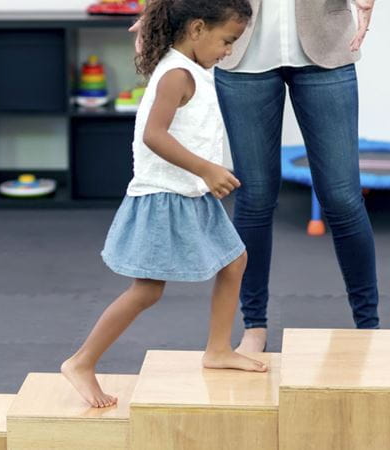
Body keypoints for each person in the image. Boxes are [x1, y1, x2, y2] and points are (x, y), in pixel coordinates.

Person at [61, 0, 265, 409]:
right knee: (147, 290)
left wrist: (205, 175)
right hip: (165, 196)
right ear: (196, 29)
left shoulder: (190, 66)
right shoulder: (176, 74)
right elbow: (154, 135)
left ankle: (218, 349)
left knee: (235, 261)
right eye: (226, 41)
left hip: (190, 192)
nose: (228, 51)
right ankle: (81, 362)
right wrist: (207, 169)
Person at [214, 0, 381, 354]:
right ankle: (254, 326)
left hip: (326, 46)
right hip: (242, 48)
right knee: (255, 197)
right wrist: (156, 14)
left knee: (343, 198)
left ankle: (369, 326)